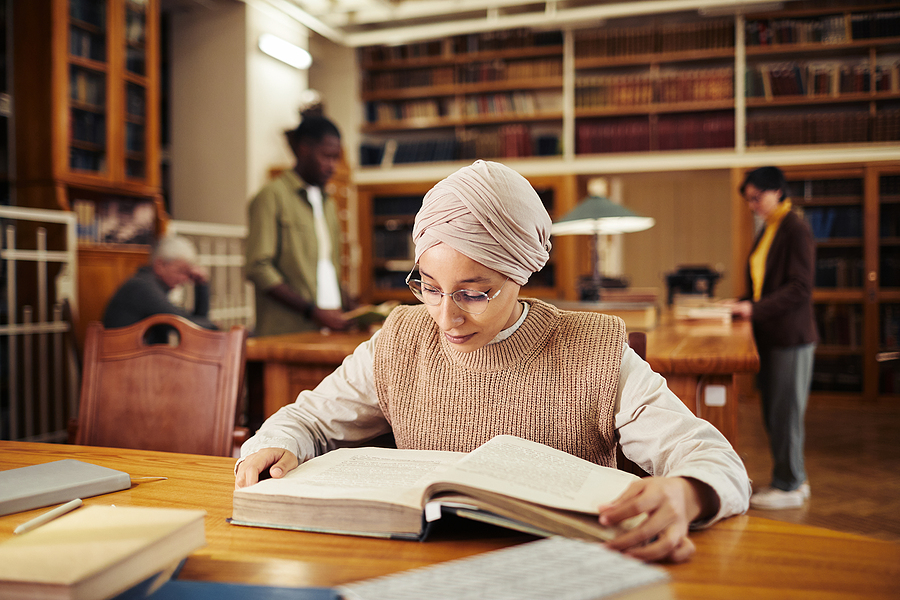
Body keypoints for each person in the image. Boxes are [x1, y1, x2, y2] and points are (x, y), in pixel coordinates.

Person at [236, 160, 750, 563]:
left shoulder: (593, 350)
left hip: (563, 573)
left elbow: (714, 459)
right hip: (425, 569)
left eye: (474, 294)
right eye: (429, 288)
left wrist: (687, 495)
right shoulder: (401, 338)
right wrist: (275, 444)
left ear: (521, 274)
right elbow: (306, 417)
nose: (445, 317)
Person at [729, 166, 817, 510]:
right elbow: (762, 282)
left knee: (786, 413)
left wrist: (753, 309)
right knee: (776, 411)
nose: (752, 205)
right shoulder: (771, 227)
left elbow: (799, 287)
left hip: (791, 337)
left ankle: (790, 484)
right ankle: (794, 478)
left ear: (777, 190)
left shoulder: (795, 227)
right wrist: (741, 302)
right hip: (772, 335)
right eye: (749, 199)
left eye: (756, 197)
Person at [245, 114, 351, 336]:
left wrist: (351, 306)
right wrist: (311, 311)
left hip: (329, 328)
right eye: (326, 156)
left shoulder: (329, 203)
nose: (332, 166)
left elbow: (326, 268)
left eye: (336, 158)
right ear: (304, 149)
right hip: (287, 332)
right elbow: (259, 267)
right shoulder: (271, 197)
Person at [103, 235, 216, 340]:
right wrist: (213, 326)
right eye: (181, 271)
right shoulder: (142, 287)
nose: (185, 279)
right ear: (160, 265)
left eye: (188, 274)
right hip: (122, 359)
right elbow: (191, 326)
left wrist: (201, 285)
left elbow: (195, 326)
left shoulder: (149, 284)